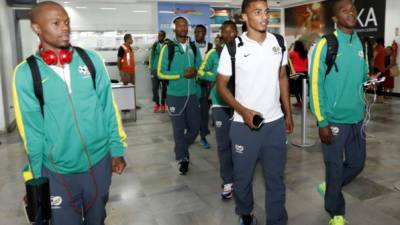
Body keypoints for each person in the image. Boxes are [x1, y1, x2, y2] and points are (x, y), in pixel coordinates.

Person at [13, 1, 127, 225]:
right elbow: (31, 131)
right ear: (37, 28)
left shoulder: (91, 60)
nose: (65, 27)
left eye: (67, 22)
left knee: (97, 220)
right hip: (57, 171)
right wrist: (36, 180)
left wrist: (116, 149)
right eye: (56, 23)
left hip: (99, 164)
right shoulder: (27, 73)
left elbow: (108, 109)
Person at [217, 0, 294, 224]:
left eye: (266, 12)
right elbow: (221, 85)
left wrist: (287, 113)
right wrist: (244, 111)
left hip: (275, 124)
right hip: (243, 126)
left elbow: (282, 77)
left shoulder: (278, 42)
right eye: (257, 12)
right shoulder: (233, 47)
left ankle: (277, 220)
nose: (264, 17)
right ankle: (245, 213)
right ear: (244, 17)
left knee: (276, 179)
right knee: (242, 179)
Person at [309, 0, 372, 224]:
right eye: (344, 10)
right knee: (334, 168)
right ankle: (336, 213)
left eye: (353, 8)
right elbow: (315, 84)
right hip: (334, 120)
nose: (351, 12)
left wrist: (369, 80)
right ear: (335, 18)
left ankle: (331, 187)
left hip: (357, 118)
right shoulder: (325, 44)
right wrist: (322, 121)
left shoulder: (360, 43)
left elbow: (363, 76)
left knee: (357, 163)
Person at [198, 20, 237, 200]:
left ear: (236, 32)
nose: (229, 35)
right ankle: (228, 181)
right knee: (223, 145)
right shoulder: (214, 53)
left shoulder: (245, 51)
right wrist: (219, 76)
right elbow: (200, 72)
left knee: (240, 144)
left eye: (232, 31)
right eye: (225, 32)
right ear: (221, 35)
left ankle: (240, 177)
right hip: (220, 104)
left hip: (241, 106)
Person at [157, 16, 202, 175]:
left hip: (192, 94)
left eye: (185, 25)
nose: (183, 28)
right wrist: (182, 75)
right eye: (179, 25)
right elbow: (161, 73)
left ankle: (181, 149)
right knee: (178, 130)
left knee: (195, 128)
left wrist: (195, 71)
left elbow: (199, 66)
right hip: (175, 95)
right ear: (174, 29)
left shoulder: (193, 47)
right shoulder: (167, 48)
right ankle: (183, 159)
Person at [194, 24, 213, 149]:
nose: (198, 34)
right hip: (193, 85)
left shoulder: (211, 47)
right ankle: (191, 132)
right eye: (196, 32)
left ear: (205, 33)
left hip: (207, 86)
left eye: (201, 32)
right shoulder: (191, 47)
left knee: (204, 113)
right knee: (192, 112)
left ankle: (203, 136)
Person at [149, 30, 167, 113]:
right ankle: (157, 103)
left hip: (164, 70)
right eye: (158, 35)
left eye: (161, 35)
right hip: (155, 70)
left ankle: (163, 104)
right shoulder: (155, 45)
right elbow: (151, 56)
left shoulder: (167, 45)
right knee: (154, 88)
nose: (159, 37)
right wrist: (151, 68)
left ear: (164, 36)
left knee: (164, 88)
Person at [289, 40, 308, 107]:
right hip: (304, 73)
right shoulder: (305, 53)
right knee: (303, 88)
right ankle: (304, 102)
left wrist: (290, 47)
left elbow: (286, 55)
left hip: (296, 74)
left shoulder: (293, 53)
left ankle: (299, 102)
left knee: (296, 88)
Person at [373, 37, 386, 103]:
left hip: (377, 68)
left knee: (378, 84)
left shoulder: (377, 49)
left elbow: (373, 57)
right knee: (380, 84)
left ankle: (380, 99)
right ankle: (380, 99)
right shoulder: (383, 49)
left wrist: (372, 48)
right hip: (382, 68)